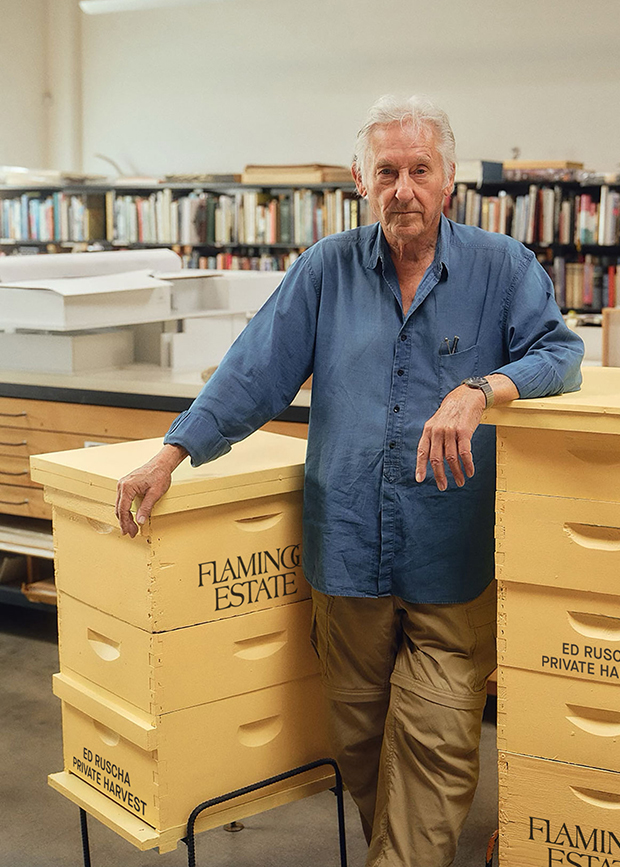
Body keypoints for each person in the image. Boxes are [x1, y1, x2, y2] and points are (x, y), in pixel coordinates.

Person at [115, 94, 584, 867]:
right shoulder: (326, 269)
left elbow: (560, 354)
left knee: (435, 745)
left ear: (449, 180)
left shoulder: (504, 268)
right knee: (361, 751)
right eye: (388, 171)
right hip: (347, 558)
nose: (405, 188)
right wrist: (171, 454)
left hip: (452, 560)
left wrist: (482, 388)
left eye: (420, 170)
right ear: (362, 182)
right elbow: (251, 375)